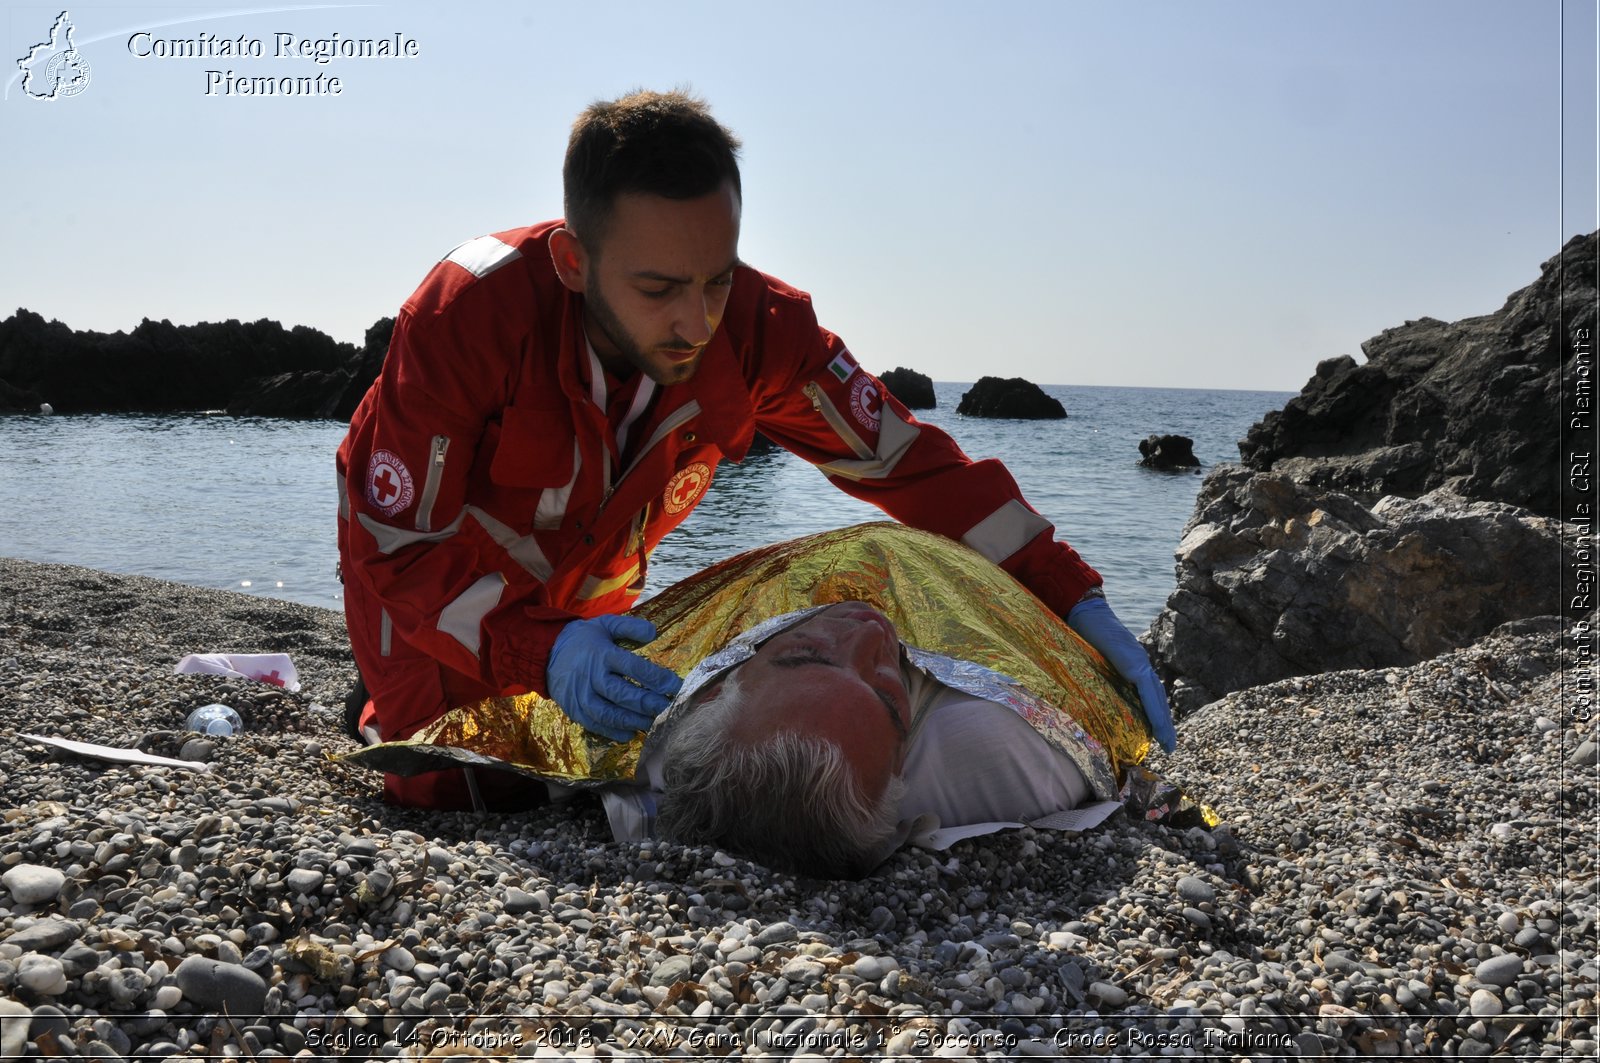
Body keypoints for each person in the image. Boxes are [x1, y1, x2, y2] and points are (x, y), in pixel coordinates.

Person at [336, 89, 1174, 811]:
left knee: (595, 776)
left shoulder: (763, 326)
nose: (698, 322)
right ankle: (373, 698)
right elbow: (397, 545)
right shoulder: (465, 316)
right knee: (454, 784)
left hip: (598, 593)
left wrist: (1072, 596)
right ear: (573, 262)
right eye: (659, 289)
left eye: (717, 277)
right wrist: (537, 649)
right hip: (434, 584)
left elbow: (908, 463)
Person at [649, 600, 1125, 878]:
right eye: (887, 693)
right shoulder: (997, 747)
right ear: (903, 764)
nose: (874, 633)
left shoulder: (654, 716)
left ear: (713, 691)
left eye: (804, 653)